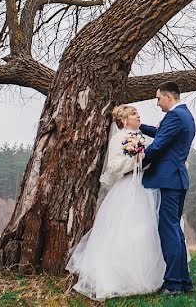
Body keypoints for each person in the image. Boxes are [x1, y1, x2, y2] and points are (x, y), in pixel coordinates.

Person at [66, 104, 165, 301]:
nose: (138, 116)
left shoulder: (141, 138)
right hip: (126, 187)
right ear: (124, 120)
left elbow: (149, 158)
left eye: (138, 113)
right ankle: (117, 277)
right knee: (124, 230)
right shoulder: (118, 138)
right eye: (134, 114)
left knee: (143, 230)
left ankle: (142, 277)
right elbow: (113, 166)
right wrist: (135, 160)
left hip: (143, 187)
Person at [139, 81, 196, 295]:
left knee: (168, 231)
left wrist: (137, 164)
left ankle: (172, 284)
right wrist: (139, 127)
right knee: (175, 231)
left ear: (168, 97)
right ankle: (184, 281)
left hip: (170, 180)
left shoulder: (175, 116)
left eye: (158, 98)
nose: (157, 103)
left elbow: (159, 145)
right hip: (177, 179)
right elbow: (161, 134)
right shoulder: (185, 116)